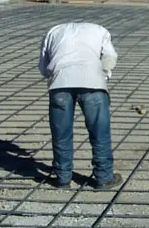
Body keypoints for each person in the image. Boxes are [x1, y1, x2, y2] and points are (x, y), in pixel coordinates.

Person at [38, 22, 122, 189]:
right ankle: (104, 177)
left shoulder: (53, 31)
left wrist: (55, 75)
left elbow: (43, 66)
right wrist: (102, 75)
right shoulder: (100, 30)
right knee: (99, 132)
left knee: (61, 133)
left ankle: (62, 178)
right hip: (92, 83)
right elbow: (110, 56)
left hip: (60, 84)